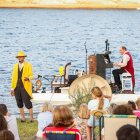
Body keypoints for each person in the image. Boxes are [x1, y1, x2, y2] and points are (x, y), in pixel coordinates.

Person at [11, 51, 34, 122]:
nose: (20, 58)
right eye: (19, 57)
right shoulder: (15, 66)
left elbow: (32, 75)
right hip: (16, 87)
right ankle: (23, 118)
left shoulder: (28, 65)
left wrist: (28, 78)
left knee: (28, 103)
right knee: (19, 103)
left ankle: (31, 118)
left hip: (25, 87)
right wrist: (12, 88)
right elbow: (13, 77)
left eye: (21, 57)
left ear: (24, 57)